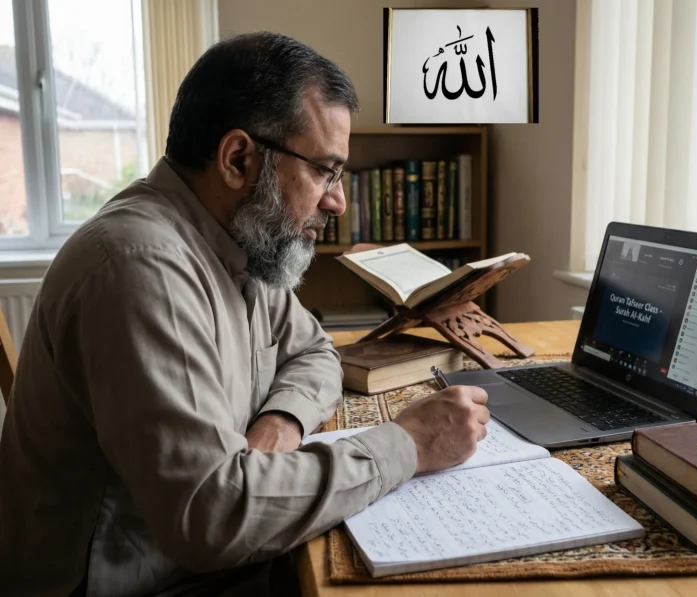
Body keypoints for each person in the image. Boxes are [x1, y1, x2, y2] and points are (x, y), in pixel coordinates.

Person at [0, 31, 489, 596]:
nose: (339, 201)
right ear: (238, 159)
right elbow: (215, 516)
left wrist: (279, 424)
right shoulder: (140, 267)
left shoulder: (240, 238)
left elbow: (314, 352)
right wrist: (410, 444)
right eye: (325, 172)